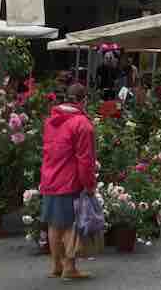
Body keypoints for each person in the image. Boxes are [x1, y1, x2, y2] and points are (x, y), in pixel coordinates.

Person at [40, 84, 96, 280]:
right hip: (69, 180)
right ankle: (69, 267)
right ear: (83, 100)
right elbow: (85, 160)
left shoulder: (51, 121)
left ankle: (56, 265)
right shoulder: (82, 124)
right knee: (71, 225)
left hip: (49, 177)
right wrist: (89, 184)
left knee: (54, 224)